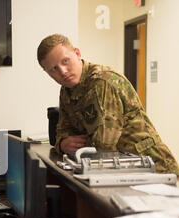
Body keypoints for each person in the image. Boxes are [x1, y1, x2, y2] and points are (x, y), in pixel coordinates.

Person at [37, 34, 179, 175]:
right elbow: (63, 130)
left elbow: (103, 145)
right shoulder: (67, 90)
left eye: (65, 61)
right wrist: (62, 144)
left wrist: (76, 144)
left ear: (77, 53)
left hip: (152, 168)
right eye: (53, 69)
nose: (63, 71)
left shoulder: (103, 81)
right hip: (120, 169)